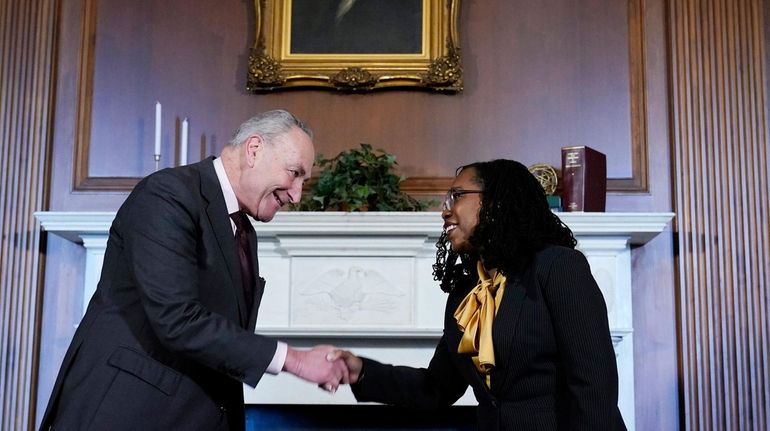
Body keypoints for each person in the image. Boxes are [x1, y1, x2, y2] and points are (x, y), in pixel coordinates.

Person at [39, 110, 350, 431]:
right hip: (125, 413)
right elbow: (176, 318)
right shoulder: (168, 194)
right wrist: (295, 360)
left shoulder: (243, 231)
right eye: (294, 173)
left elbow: (221, 344)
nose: (297, 194)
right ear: (254, 149)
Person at [332, 159, 627, 430]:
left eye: (456, 196)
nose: (445, 210)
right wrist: (362, 372)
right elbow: (436, 387)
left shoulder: (558, 267)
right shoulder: (466, 294)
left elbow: (594, 386)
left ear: (495, 202)